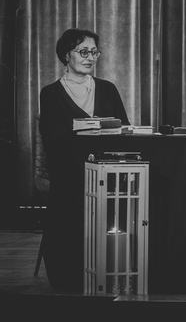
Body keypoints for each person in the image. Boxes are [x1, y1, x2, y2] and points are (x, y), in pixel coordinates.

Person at [37, 27, 129, 292]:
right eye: (83, 52)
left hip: (107, 172)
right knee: (70, 199)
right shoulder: (50, 93)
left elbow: (124, 129)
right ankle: (69, 277)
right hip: (70, 173)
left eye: (94, 52)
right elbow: (53, 140)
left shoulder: (108, 89)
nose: (90, 57)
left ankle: (110, 272)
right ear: (66, 55)